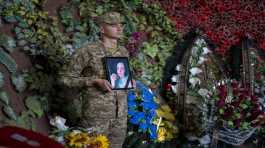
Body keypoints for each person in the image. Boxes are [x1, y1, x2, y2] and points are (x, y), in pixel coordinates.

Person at [59, 12, 132, 148]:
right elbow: (65, 78)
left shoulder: (123, 52)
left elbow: (121, 80)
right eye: (113, 25)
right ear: (102, 29)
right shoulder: (88, 51)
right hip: (96, 118)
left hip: (120, 118)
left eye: (121, 24)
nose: (119, 28)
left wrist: (128, 83)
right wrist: (93, 81)